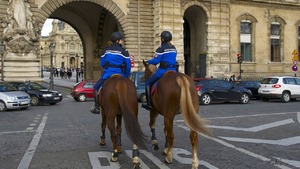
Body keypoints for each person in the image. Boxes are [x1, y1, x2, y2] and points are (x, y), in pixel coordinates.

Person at [90, 32, 131, 114]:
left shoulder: (105, 51)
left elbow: (102, 64)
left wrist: (107, 67)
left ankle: (97, 107)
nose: (122, 41)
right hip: (120, 74)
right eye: (122, 40)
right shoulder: (124, 52)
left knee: (95, 87)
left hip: (107, 74)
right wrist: (126, 76)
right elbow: (128, 66)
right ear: (118, 41)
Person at [142, 31, 177, 110]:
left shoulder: (161, 49)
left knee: (148, 83)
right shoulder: (173, 48)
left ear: (162, 39)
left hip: (163, 70)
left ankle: (149, 103)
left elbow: (155, 61)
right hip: (173, 70)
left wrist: (148, 61)